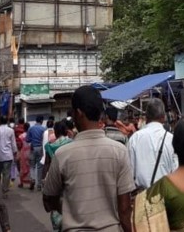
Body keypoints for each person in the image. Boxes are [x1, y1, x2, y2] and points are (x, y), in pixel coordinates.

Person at [42, 86, 134, 232]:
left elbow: (48, 200)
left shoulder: (62, 154)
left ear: (78, 113)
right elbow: (124, 209)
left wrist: (68, 209)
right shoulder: (119, 151)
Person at [128, 98, 178, 189]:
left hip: (142, 196)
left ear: (146, 117)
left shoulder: (135, 138)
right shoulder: (171, 139)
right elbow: (176, 170)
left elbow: (130, 173)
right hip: (166, 194)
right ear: (163, 117)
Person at [43, 121, 73, 232]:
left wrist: (44, 182)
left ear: (55, 132)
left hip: (55, 180)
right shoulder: (73, 143)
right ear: (66, 131)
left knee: (56, 211)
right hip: (71, 178)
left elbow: (46, 165)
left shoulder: (50, 146)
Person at [0, 116, 18, 196]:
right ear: (7, 121)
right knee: (6, 174)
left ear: (0, 121)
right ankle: (4, 190)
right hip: (8, 155)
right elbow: (13, 143)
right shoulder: (11, 130)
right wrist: (15, 152)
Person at [26, 116, 46, 191]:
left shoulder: (31, 128)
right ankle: (39, 185)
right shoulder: (44, 129)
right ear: (41, 121)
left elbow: (27, 139)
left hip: (32, 148)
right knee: (40, 167)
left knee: (32, 166)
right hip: (40, 148)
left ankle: (32, 179)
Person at [17, 122, 31, 188]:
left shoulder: (21, 136)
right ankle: (31, 182)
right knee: (30, 167)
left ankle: (21, 183)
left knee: (22, 167)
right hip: (30, 152)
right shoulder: (31, 135)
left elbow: (19, 145)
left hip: (23, 152)